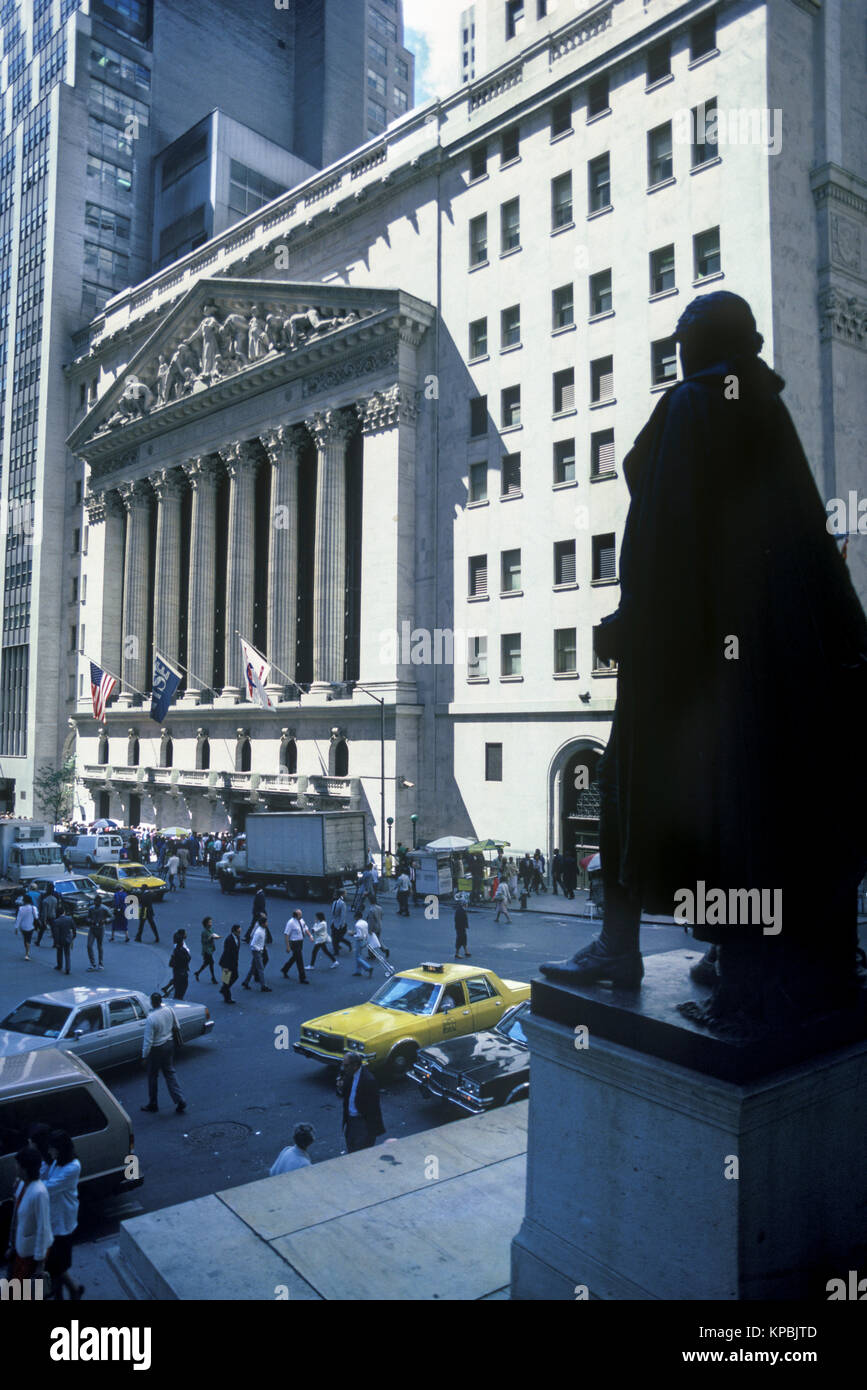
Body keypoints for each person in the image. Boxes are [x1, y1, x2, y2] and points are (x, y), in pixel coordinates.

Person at [540, 290, 867, 1025]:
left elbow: (660, 534)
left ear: (702, 343)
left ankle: (623, 949)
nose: (677, 347)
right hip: (776, 662)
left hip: (689, 659)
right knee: (751, 811)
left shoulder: (693, 405)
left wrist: (629, 622)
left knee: (633, 788)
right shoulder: (765, 409)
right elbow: (813, 544)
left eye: (682, 334)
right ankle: (731, 951)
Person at [43, 1131, 84, 1301]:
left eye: (52, 1149)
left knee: (56, 1265)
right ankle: (73, 1291)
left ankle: (68, 1292)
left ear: (60, 1149)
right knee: (55, 1264)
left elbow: (49, 1186)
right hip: (55, 1218)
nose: (49, 1152)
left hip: (62, 1221)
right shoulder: (57, 1163)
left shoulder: (72, 1166)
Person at [5, 1146, 51, 1287]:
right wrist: (12, 1245)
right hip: (19, 1250)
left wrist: (40, 1265)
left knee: (25, 1293)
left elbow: (43, 1229)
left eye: (17, 1165)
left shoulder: (39, 1192)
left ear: (24, 1169)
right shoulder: (21, 1185)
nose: (15, 1167)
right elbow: (17, 1218)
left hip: (31, 1256)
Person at [141, 992, 186, 1114]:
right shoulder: (169, 1010)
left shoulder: (151, 1018)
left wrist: (144, 1056)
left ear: (152, 1002)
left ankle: (153, 1103)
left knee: (152, 1076)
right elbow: (177, 1026)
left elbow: (148, 1040)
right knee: (170, 1072)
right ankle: (179, 1099)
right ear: (161, 1001)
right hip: (169, 1044)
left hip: (156, 1049)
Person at [337, 1054, 385, 1153]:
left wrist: (371, 1130)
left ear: (355, 1065)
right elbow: (345, 1095)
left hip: (362, 1121)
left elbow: (374, 1109)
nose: (343, 1068)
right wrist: (340, 1088)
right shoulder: (349, 1075)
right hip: (351, 1120)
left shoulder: (368, 1080)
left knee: (359, 1151)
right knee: (351, 1145)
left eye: (346, 1065)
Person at [280, 909, 312, 983]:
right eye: (300, 914)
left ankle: (285, 969)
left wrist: (310, 935)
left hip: (300, 942)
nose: (301, 915)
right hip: (294, 943)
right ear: (296, 915)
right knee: (299, 959)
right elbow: (286, 934)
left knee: (295, 957)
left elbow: (305, 928)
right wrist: (288, 946)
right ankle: (302, 978)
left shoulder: (301, 920)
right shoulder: (290, 923)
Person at [242, 917, 272, 991]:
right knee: (260, 968)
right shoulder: (259, 932)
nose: (267, 924)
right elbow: (252, 944)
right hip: (257, 951)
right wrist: (260, 949)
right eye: (266, 922)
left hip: (258, 950)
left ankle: (246, 982)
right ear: (262, 924)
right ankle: (263, 986)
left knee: (253, 968)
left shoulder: (262, 930)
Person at [219, 923, 241, 1004]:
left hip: (233, 962)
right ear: (234, 931)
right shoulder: (229, 939)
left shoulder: (237, 938)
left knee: (235, 976)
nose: (239, 933)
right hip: (226, 963)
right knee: (226, 980)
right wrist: (227, 966)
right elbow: (227, 953)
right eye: (238, 932)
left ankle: (224, 989)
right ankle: (227, 998)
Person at [166, 929, 191, 1000]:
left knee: (178, 985)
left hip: (178, 970)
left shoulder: (177, 949)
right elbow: (187, 958)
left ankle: (169, 988)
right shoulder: (181, 950)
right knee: (181, 988)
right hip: (181, 971)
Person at [85, 899, 109, 971]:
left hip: (101, 928)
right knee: (89, 946)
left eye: (97, 903)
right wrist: (90, 920)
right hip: (92, 928)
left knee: (99, 946)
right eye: (95, 903)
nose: (96, 904)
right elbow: (87, 917)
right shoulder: (91, 908)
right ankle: (92, 964)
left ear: (100, 903)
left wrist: (105, 920)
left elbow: (112, 916)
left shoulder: (105, 908)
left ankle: (100, 963)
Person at [195, 916, 220, 983]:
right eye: (209, 922)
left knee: (206, 963)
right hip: (207, 950)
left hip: (210, 949)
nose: (211, 923)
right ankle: (213, 978)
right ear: (206, 924)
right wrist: (210, 937)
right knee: (211, 963)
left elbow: (212, 936)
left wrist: (214, 937)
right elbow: (204, 941)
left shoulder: (210, 930)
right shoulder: (204, 932)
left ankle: (198, 973)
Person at [53, 909, 76, 974]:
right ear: (64, 912)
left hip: (60, 939)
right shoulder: (69, 919)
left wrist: (56, 942)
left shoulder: (56, 921)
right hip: (68, 938)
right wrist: (73, 936)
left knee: (59, 952)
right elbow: (74, 928)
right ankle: (68, 968)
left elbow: (56, 933)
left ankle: (59, 965)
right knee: (67, 953)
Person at [351, 912, 373, 978]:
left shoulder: (357, 925)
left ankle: (368, 967)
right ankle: (358, 971)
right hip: (365, 940)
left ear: (357, 917)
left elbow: (359, 935)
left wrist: (352, 935)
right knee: (359, 956)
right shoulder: (365, 922)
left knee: (357, 957)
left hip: (359, 941)